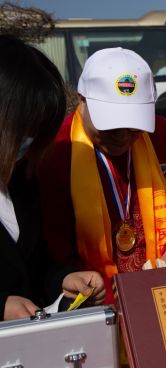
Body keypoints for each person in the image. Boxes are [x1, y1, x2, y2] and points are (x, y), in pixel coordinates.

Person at [39, 47, 166, 303]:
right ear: (82, 100)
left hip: (165, 292)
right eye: (111, 126)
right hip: (95, 302)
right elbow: (48, 244)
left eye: (134, 127)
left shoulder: (160, 135)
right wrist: (71, 277)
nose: (122, 137)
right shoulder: (57, 149)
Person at [0, 35, 105, 321]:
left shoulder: (23, 179)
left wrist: (64, 279)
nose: (30, 142)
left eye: (38, 132)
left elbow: (34, 262)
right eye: (24, 129)